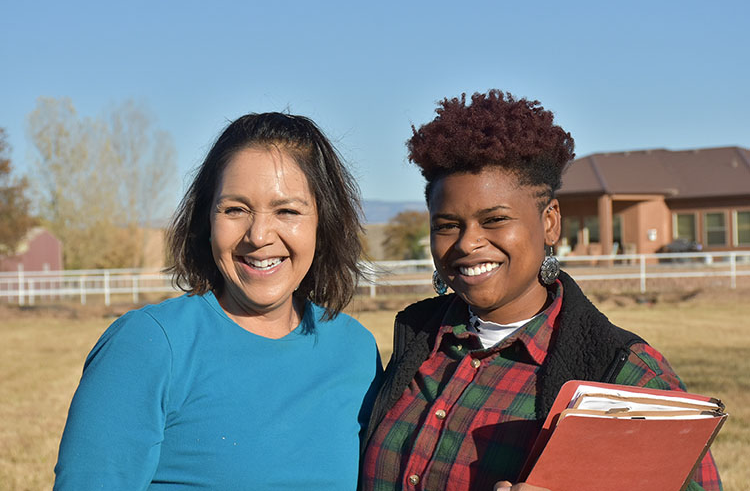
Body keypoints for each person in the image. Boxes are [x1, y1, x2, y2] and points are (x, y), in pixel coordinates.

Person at [360, 90, 722, 491]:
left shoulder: (624, 377)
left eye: (495, 219)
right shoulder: (417, 343)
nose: (467, 243)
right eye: (447, 225)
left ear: (550, 222)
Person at [54, 112, 382, 490]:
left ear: (323, 224)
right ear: (207, 221)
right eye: (235, 210)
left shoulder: (355, 350)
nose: (258, 235)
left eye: (287, 210)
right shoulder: (148, 345)